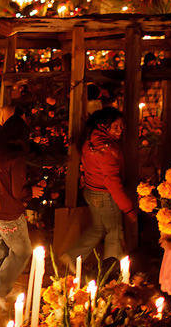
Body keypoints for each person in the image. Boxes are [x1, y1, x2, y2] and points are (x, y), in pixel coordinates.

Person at [0, 107, 44, 302]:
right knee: (21, 251)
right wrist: (31, 192)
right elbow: (18, 192)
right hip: (7, 212)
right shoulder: (15, 158)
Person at [61, 108, 136, 269]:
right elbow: (112, 181)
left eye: (122, 127)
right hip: (104, 195)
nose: (120, 130)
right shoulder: (106, 149)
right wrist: (128, 209)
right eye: (116, 126)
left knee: (98, 228)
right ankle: (111, 272)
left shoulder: (91, 139)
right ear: (104, 125)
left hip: (91, 190)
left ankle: (72, 256)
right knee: (114, 231)